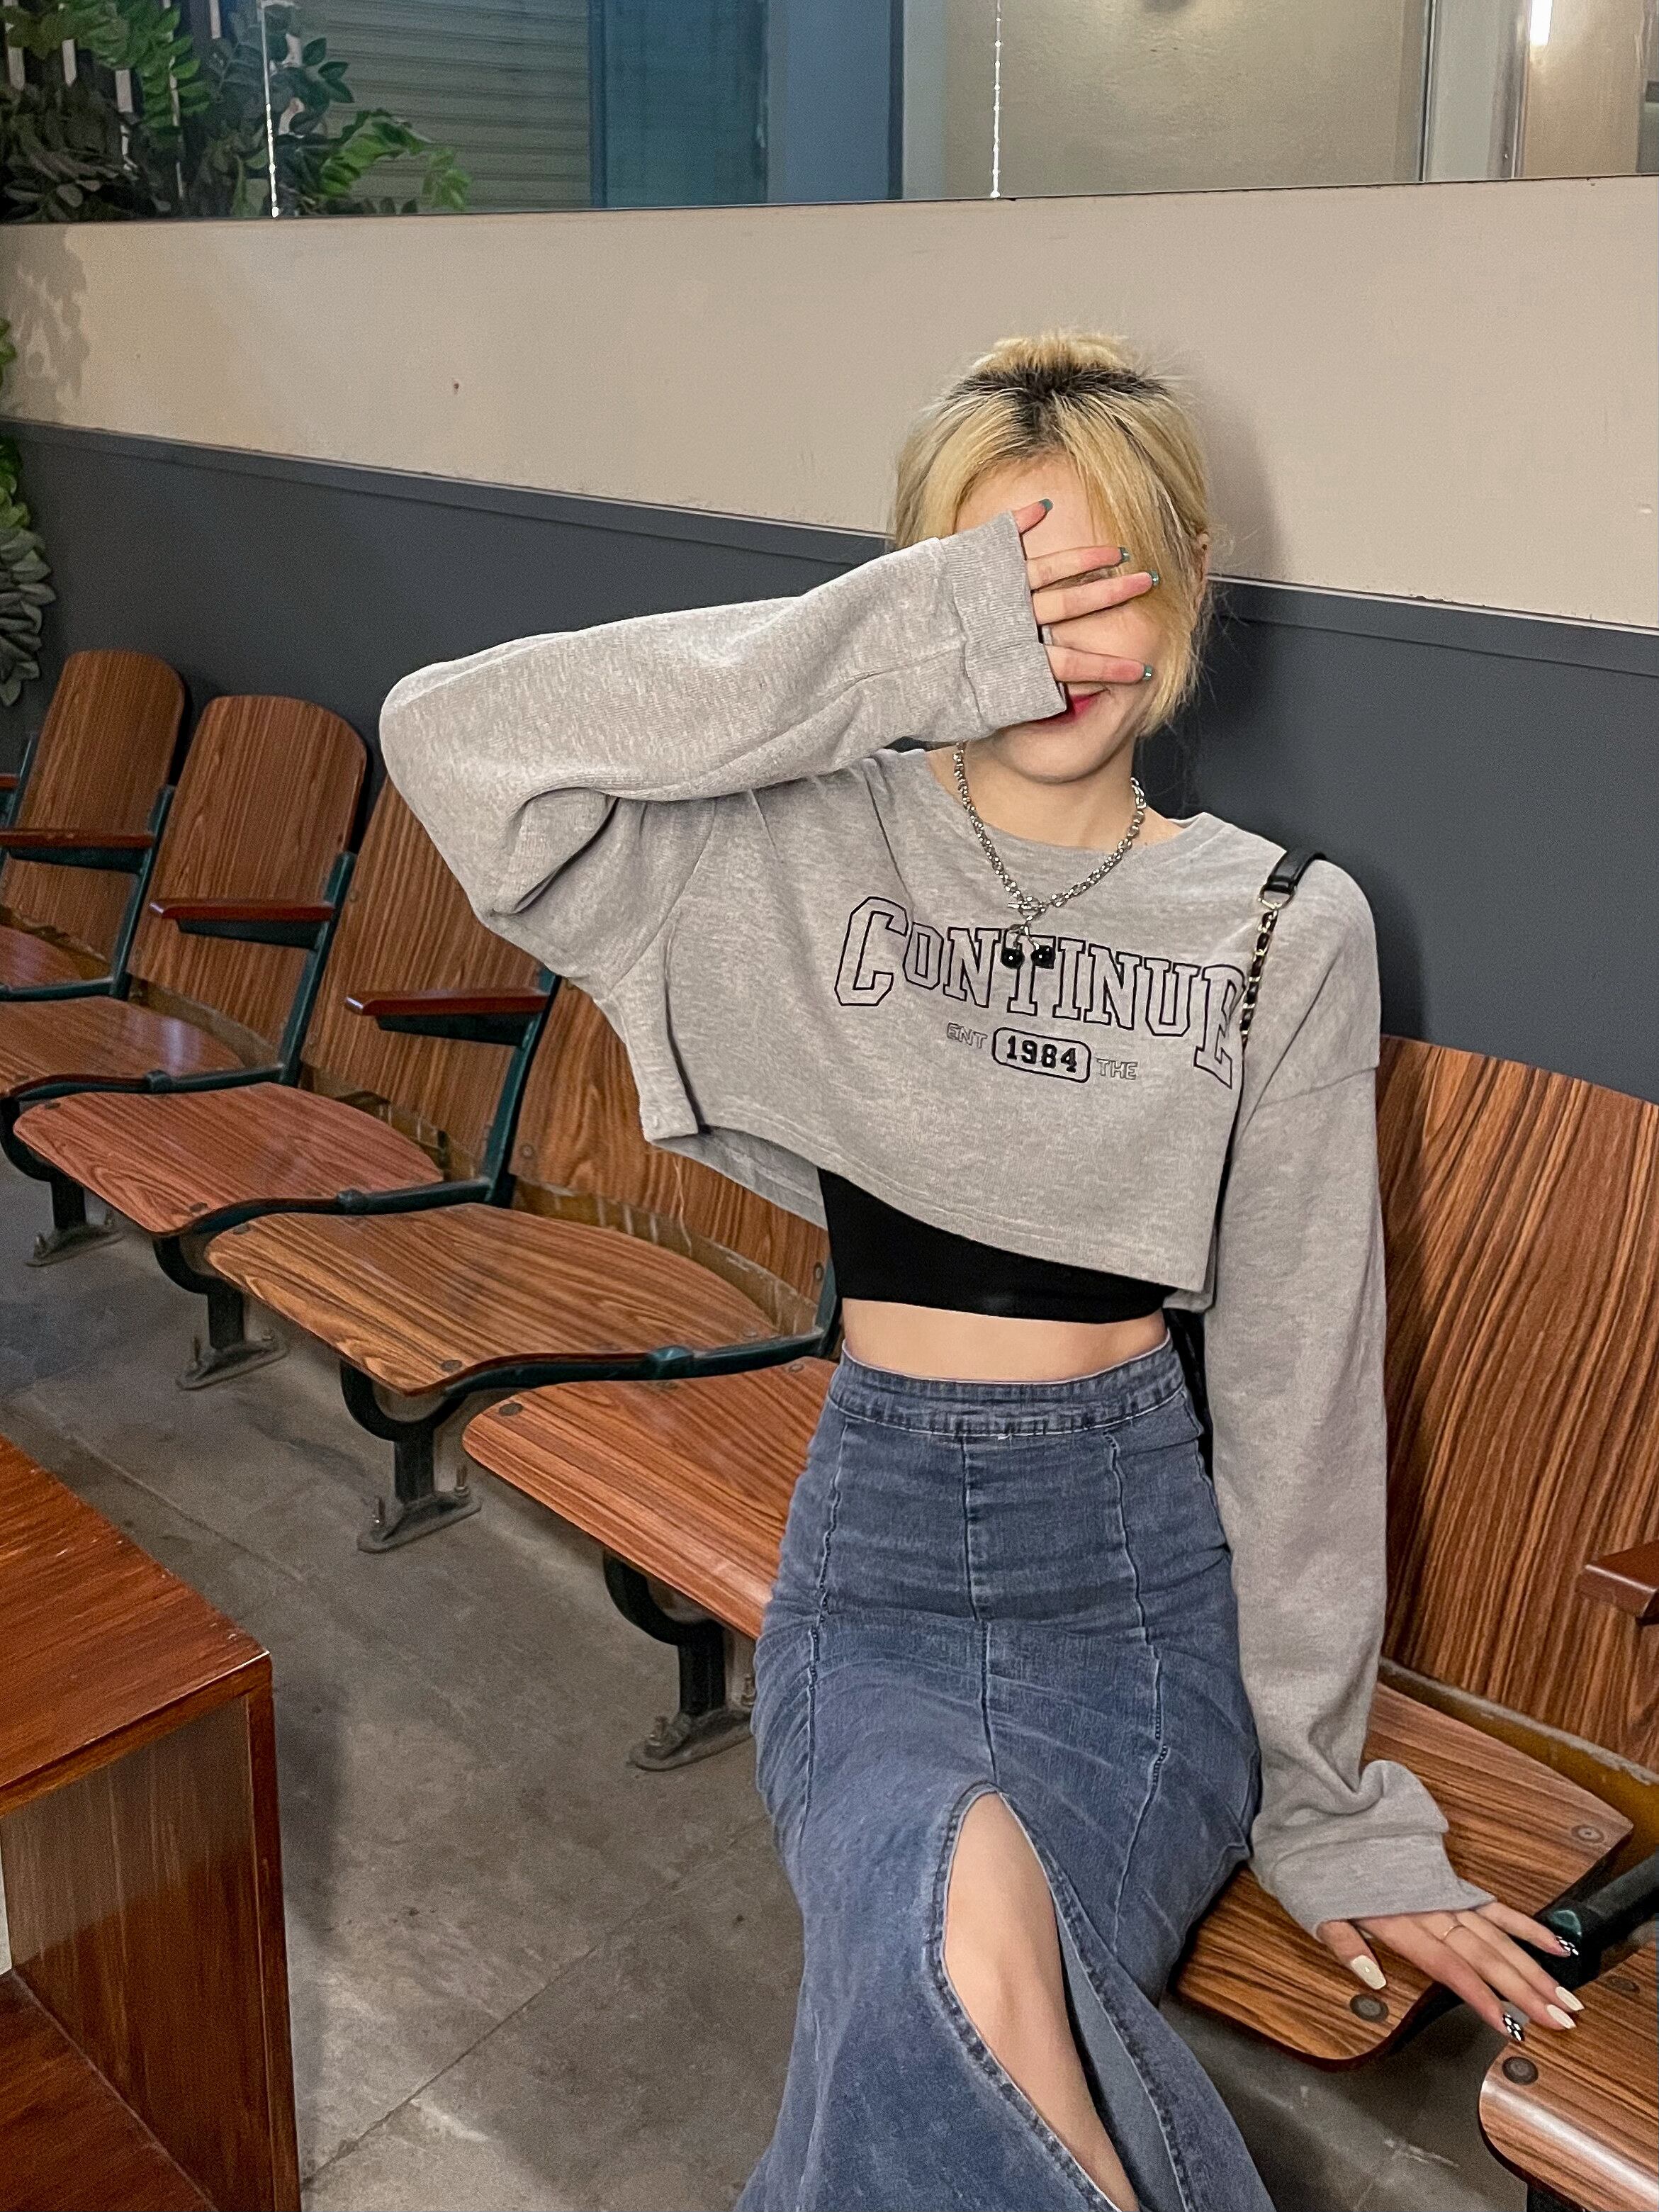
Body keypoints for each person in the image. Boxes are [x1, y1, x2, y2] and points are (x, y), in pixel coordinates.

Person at [380, 332, 1582, 2212]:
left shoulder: (1282, 927)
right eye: (1006, 590)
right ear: (921, 602)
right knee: (943, 1914)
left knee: (944, 1967)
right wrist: (894, 649)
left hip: (1130, 1593)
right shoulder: (798, 857)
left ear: (1188, 588)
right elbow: (454, 738)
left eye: (1105, 581)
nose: (1055, 643)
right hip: (870, 1568)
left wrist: (1330, 1802)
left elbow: (1301, 1388)